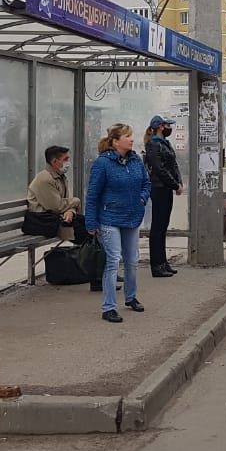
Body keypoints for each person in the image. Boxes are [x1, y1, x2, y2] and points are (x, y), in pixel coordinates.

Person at [86, 123, 151, 323]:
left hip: (132, 216)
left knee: (132, 260)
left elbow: (146, 183)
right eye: (127, 136)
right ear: (115, 141)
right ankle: (109, 307)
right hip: (109, 218)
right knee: (114, 260)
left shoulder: (135, 160)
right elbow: (93, 194)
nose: (132, 139)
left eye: (131, 136)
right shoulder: (103, 163)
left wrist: (142, 198)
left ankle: (131, 297)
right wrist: (91, 222)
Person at [144, 116, 182, 278]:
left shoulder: (164, 143)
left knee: (163, 226)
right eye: (167, 125)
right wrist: (175, 184)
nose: (169, 128)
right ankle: (157, 264)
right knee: (158, 227)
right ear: (160, 127)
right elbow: (159, 169)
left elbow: (173, 165)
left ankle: (163, 262)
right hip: (159, 188)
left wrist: (178, 182)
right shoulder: (153, 144)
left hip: (166, 188)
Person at [27, 145, 83, 242]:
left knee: (91, 225)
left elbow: (65, 204)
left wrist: (70, 212)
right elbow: (56, 207)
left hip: (55, 219)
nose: (68, 163)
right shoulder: (44, 179)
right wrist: (76, 201)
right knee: (86, 231)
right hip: (44, 222)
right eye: (65, 159)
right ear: (54, 162)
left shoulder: (60, 177)